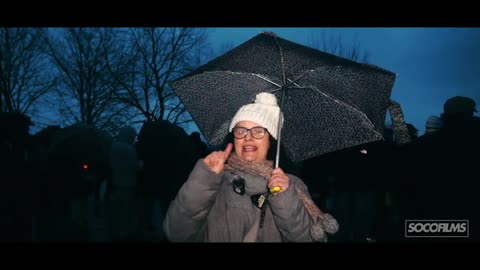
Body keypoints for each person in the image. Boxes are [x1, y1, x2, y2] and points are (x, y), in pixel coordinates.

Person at [163, 92, 338, 242]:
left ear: (271, 141)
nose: (248, 137)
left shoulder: (291, 186)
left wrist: (285, 198)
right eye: (240, 131)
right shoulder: (215, 180)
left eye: (258, 131)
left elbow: (306, 238)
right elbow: (176, 233)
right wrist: (203, 180)